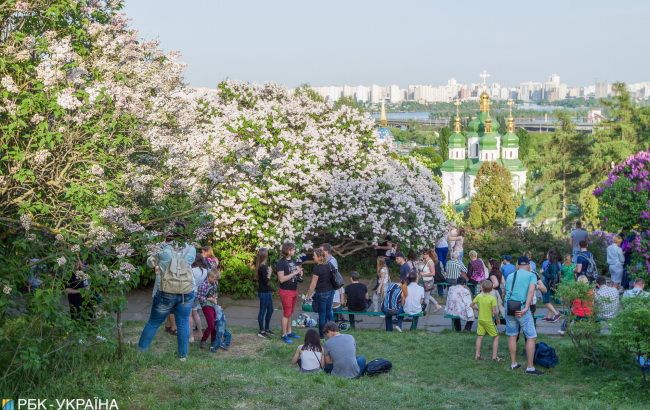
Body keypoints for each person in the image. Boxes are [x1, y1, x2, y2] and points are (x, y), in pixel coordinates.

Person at [138, 221, 196, 361]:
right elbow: (188, 263)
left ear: (169, 232)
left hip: (166, 291)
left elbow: (150, 263)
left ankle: (141, 352)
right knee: (183, 323)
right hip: (186, 291)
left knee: (153, 322)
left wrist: (157, 260)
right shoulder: (191, 249)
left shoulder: (162, 248)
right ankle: (183, 356)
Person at [504, 256, 543, 375]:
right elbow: (531, 291)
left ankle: (513, 363)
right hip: (521, 308)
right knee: (531, 336)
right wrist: (526, 307)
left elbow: (505, 292)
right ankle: (530, 368)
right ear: (528, 265)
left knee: (512, 335)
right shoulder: (531, 275)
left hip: (509, 307)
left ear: (518, 265)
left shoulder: (510, 275)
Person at [276, 241, 303, 344]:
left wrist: (300, 272)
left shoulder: (293, 261)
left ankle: (289, 332)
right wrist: (295, 273)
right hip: (286, 291)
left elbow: (297, 271)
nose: (295, 251)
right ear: (288, 250)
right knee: (286, 313)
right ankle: (284, 335)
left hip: (293, 290)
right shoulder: (281, 263)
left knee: (290, 312)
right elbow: (281, 279)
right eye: (293, 249)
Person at [307, 248, 334, 339]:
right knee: (329, 312)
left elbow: (313, 284)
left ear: (319, 257)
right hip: (330, 291)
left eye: (314, 255)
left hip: (322, 293)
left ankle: (322, 336)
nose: (313, 257)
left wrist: (309, 295)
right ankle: (334, 333)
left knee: (322, 314)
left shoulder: (317, 268)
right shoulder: (329, 264)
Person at [471, 280, 500, 361]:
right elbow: (495, 312)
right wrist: (497, 319)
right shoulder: (492, 298)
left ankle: (477, 355)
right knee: (496, 336)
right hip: (488, 321)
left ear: (482, 288)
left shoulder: (479, 296)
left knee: (480, 337)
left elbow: (471, 305)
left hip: (480, 320)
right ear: (491, 289)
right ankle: (494, 357)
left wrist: (478, 309)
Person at [197, 270, 219, 349]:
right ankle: (203, 340)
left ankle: (213, 341)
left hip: (213, 305)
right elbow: (199, 296)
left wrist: (215, 297)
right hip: (206, 306)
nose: (215, 281)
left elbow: (215, 293)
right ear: (209, 277)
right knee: (211, 325)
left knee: (215, 323)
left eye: (216, 279)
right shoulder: (203, 285)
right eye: (214, 279)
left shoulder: (214, 284)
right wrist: (209, 299)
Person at [190, 253, 209, 341]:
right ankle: (200, 333)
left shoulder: (192, 270)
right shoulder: (205, 270)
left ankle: (191, 336)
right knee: (195, 313)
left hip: (191, 292)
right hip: (198, 293)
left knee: (189, 315)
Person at [256, 248, 274, 339]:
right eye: (267, 253)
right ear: (265, 256)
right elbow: (265, 281)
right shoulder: (262, 267)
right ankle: (261, 331)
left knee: (270, 310)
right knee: (262, 311)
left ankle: (266, 328)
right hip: (263, 292)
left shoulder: (264, 266)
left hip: (267, 291)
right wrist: (270, 273)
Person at [541, 250, 561, 322]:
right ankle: (549, 316)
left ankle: (557, 314)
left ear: (550, 256)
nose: (546, 255)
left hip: (548, 285)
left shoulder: (552, 265)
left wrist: (543, 273)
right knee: (550, 300)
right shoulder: (555, 264)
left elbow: (552, 276)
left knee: (546, 301)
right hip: (553, 285)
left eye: (547, 254)